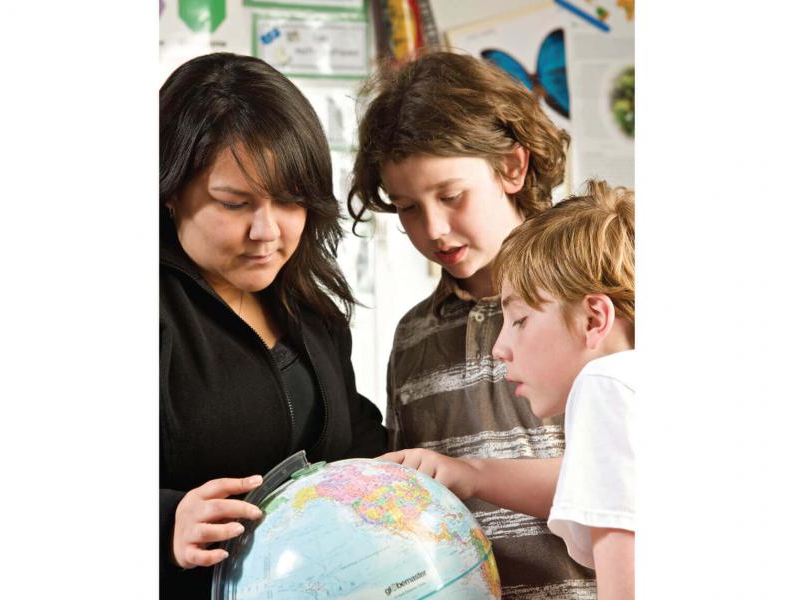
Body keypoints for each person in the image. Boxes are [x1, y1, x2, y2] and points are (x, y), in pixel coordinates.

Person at [348, 50, 596, 597]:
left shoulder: (599, 300)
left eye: (451, 196)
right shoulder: (412, 337)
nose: (434, 229)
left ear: (512, 166)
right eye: (408, 207)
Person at [159, 52, 387, 599]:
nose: (266, 232)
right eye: (234, 203)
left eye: (289, 201)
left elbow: (355, 443)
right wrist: (165, 520)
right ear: (169, 191)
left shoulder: (312, 310)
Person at [384, 182, 636, 599]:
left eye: (518, 320)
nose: (500, 348)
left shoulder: (605, 386)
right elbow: (593, 483)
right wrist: (470, 473)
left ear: (594, 318)